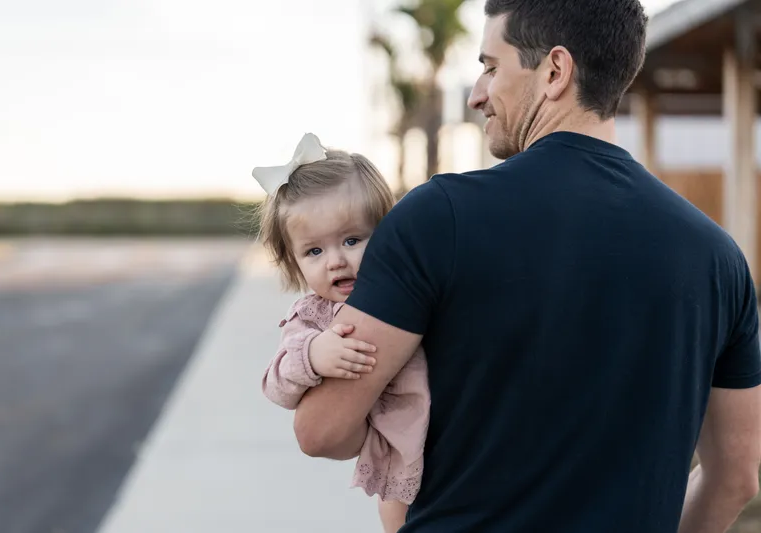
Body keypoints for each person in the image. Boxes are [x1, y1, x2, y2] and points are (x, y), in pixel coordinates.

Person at [292, 1, 761, 532]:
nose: (476, 93)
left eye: (491, 67)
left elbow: (322, 429)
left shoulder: (438, 218)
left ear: (554, 72)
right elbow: (736, 478)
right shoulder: (718, 258)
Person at [254, 133, 430, 533]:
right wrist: (314, 354)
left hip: (446, 439)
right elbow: (275, 383)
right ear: (293, 260)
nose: (336, 261)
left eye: (352, 240)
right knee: (399, 522)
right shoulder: (313, 318)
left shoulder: (408, 290)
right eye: (314, 251)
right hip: (394, 452)